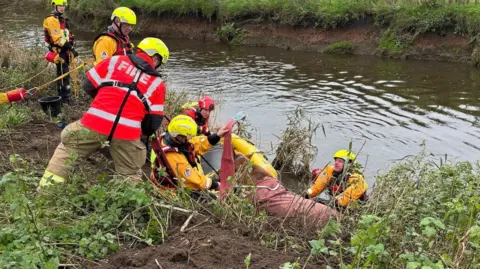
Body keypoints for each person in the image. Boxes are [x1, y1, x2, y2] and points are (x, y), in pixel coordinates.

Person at [39, 37, 170, 188]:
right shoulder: (157, 84)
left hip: (93, 123)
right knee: (130, 173)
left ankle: (46, 191)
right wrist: (141, 131)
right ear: (155, 58)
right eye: (160, 63)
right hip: (126, 134)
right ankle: (127, 207)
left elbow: (88, 84)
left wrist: (102, 101)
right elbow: (153, 122)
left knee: (67, 150)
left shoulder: (115, 61)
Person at [150, 115, 231, 197]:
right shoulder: (172, 156)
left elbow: (195, 143)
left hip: (180, 180)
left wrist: (217, 136)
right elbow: (193, 180)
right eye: (187, 137)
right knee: (212, 199)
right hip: (172, 192)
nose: (188, 139)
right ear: (179, 136)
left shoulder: (170, 137)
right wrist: (216, 185)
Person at [43, 0, 78, 104]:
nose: (62, 8)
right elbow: (57, 39)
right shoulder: (52, 20)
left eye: (63, 6)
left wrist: (71, 46)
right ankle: (64, 99)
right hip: (59, 51)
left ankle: (65, 97)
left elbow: (66, 36)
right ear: (55, 6)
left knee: (64, 74)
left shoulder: (62, 19)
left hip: (64, 50)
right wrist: (71, 48)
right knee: (63, 74)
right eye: (60, 6)